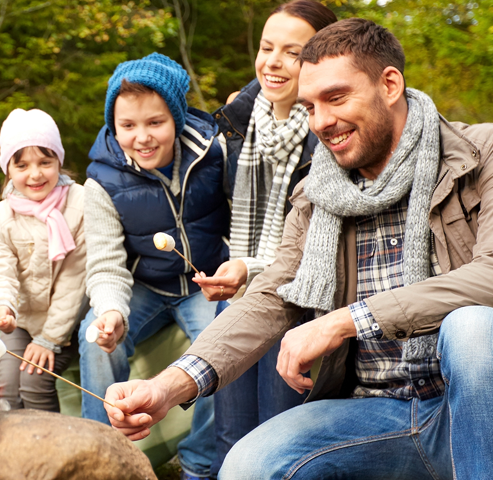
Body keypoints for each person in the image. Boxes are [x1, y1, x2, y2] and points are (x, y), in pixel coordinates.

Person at [104, 18, 493, 479]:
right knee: (246, 465)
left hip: (473, 409)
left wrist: (347, 320)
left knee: (474, 326)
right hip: (373, 413)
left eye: (336, 98)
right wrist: (169, 386)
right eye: (310, 106)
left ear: (389, 84)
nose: (322, 122)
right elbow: (273, 294)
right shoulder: (317, 190)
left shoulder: (481, 151)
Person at [192, 1, 336, 475]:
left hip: (296, 304)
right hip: (235, 296)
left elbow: (316, 243)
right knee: (229, 437)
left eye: (291, 53)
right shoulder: (238, 122)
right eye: (266, 47)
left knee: (278, 439)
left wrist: (249, 268)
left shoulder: (329, 138)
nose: (272, 62)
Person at [78, 53, 228, 479]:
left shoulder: (214, 154)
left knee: (224, 345)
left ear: (176, 118)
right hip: (145, 286)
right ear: (113, 126)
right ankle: (102, 458)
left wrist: (233, 269)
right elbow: (106, 263)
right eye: (127, 126)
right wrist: (111, 312)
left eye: (154, 123)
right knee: (94, 336)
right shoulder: (102, 180)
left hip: (206, 283)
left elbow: (243, 221)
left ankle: (198, 464)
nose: (141, 137)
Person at [0, 108, 86, 413]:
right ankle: (10, 453)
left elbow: (74, 281)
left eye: (45, 162)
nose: (35, 174)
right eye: (22, 165)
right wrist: (2, 306)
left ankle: (48, 455)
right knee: (8, 389)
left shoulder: (79, 204)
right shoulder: (1, 218)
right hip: (23, 320)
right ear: (8, 170)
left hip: (67, 323)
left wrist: (49, 339)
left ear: (59, 162)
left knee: (34, 379)